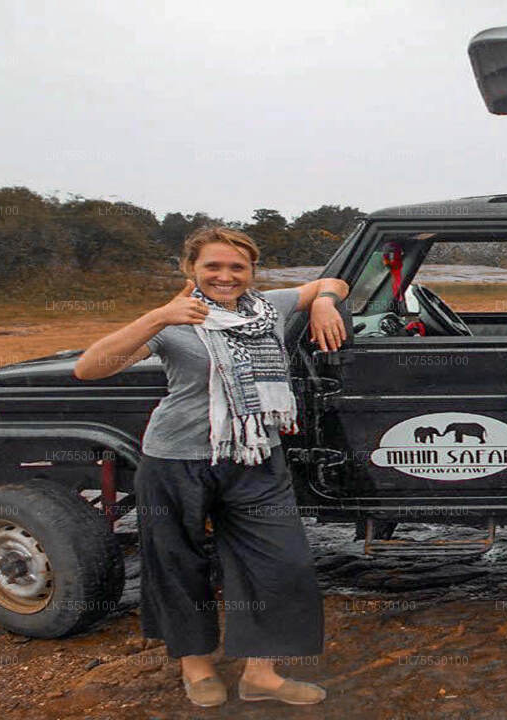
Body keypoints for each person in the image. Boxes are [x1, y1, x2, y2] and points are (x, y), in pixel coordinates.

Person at [74, 226, 350, 707]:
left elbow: (337, 282)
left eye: (236, 267)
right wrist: (158, 316)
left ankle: (260, 673)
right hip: (176, 459)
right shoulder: (174, 321)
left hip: (255, 457)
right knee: (178, 561)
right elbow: (90, 367)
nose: (225, 276)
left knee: (280, 563)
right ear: (190, 270)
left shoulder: (271, 308)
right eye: (212, 267)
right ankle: (196, 666)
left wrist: (323, 300)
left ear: (251, 271)